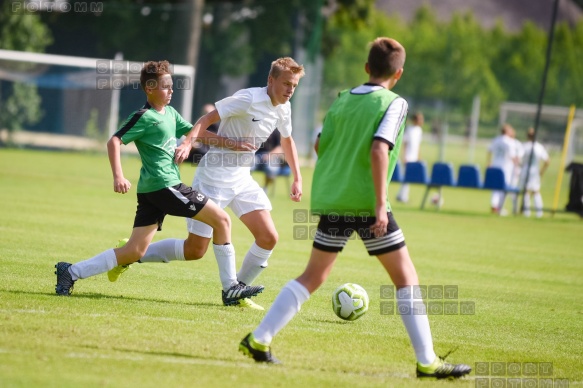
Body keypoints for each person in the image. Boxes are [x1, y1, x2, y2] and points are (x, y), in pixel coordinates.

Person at [238, 37, 471, 380]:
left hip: (334, 199)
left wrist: (339, 176)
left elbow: (319, 144)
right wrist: (378, 204)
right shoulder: (395, 103)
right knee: (405, 278)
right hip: (365, 201)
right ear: (399, 73)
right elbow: (379, 150)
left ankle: (259, 340)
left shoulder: (342, 100)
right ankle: (427, 361)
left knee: (313, 276)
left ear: (366, 67)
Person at [55, 60, 264, 306]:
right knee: (222, 220)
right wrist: (119, 176)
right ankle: (230, 288)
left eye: (172, 86)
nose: (171, 90)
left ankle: (70, 271)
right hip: (164, 186)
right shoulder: (144, 117)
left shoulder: (171, 114)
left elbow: (196, 133)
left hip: (154, 190)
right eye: (165, 87)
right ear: (150, 89)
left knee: (134, 252)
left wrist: (234, 144)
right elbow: (114, 141)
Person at [108, 57, 304, 310]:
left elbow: (288, 141)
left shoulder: (284, 108)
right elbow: (205, 120)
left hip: (242, 178)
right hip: (213, 177)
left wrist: (297, 177)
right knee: (195, 250)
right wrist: (188, 143)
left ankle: (236, 292)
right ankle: (132, 253)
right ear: (271, 80)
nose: (290, 90)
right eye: (286, 83)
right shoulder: (248, 98)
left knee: (268, 237)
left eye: (295, 86)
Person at [487, 124, 519, 214]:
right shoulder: (510, 142)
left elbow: (489, 150)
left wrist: (488, 162)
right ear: (507, 132)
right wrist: (517, 167)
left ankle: (494, 205)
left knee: (495, 188)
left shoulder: (496, 140)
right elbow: (513, 156)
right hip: (505, 168)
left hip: (495, 165)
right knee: (504, 188)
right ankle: (499, 208)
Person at [519, 127, 550, 218]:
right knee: (536, 191)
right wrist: (541, 171)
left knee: (526, 191)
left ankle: (526, 212)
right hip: (535, 171)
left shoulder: (524, 146)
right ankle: (539, 213)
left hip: (525, 170)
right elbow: (547, 161)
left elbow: (518, 158)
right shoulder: (539, 147)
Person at [396, 112, 424, 203]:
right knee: (406, 177)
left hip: (414, 157)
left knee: (409, 178)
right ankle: (402, 196)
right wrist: (404, 156)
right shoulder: (409, 129)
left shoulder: (419, 130)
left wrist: (418, 157)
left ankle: (401, 195)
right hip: (408, 156)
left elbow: (418, 145)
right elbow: (405, 143)